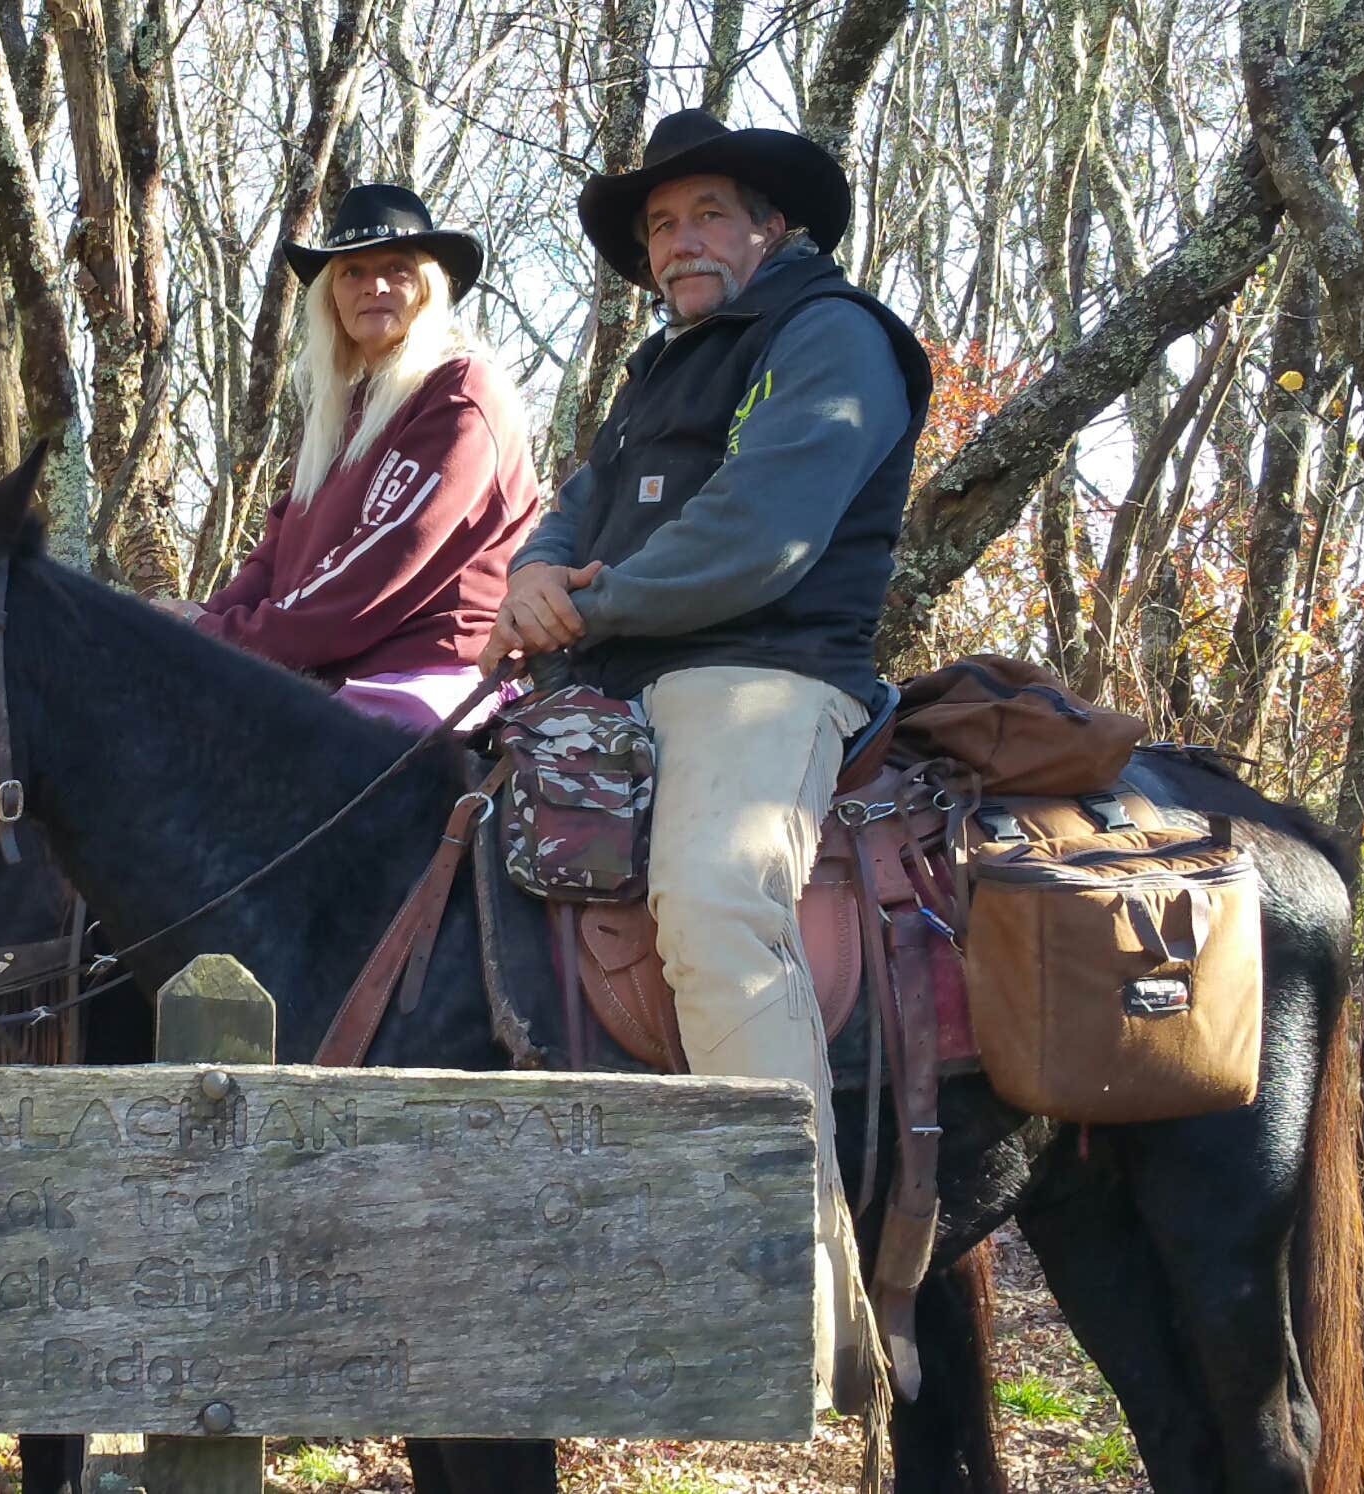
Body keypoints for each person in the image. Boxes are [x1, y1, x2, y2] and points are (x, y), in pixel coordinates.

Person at [480, 110, 934, 1412]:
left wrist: (591, 602)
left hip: (763, 670)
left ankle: (788, 1271)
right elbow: (575, 507)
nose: (681, 241)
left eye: (707, 216)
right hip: (613, 673)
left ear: (771, 229)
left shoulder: (831, 338)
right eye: (661, 225)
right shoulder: (655, 372)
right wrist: (528, 576)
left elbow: (759, 534)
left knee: (718, 901)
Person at [159, 183, 540, 732]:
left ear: (428, 287)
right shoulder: (342, 416)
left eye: (397, 269)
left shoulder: (460, 390)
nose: (374, 286)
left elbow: (378, 562)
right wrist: (200, 620)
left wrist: (220, 636)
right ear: (331, 295)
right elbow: (275, 557)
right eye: (352, 272)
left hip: (428, 674)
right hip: (324, 675)